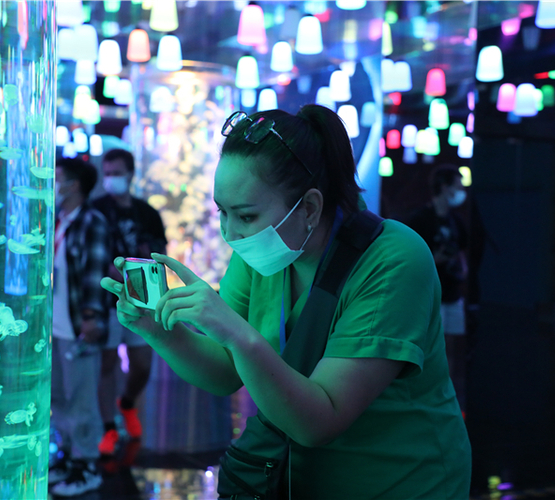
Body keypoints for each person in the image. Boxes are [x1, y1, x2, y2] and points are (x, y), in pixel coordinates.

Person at [102, 105, 471, 498]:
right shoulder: (265, 253)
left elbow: (321, 419)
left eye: (245, 216)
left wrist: (238, 335)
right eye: (222, 213)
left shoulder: (393, 259)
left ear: (309, 207)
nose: (229, 233)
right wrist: (162, 332)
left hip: (400, 482)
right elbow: (226, 372)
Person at [92, 148, 167, 456]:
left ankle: (127, 404)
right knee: (106, 363)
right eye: (106, 173)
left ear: (130, 174)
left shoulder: (147, 213)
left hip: (141, 301)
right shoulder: (95, 210)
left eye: (116, 172)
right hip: (106, 300)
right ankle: (108, 427)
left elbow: (160, 253)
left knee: (142, 365)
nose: (111, 179)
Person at [50, 157, 110, 497]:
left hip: (78, 325)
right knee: (59, 395)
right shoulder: (59, 221)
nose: (53, 182)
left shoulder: (92, 222)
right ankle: (69, 455)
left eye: (58, 178)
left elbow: (93, 273)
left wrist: (91, 317)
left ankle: (87, 464)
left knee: (82, 396)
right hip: (56, 327)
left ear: (73, 184)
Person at [406, 164, 469, 407]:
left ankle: (444, 389)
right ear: (444, 187)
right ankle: (426, 391)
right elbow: (412, 256)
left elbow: (462, 249)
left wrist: (461, 266)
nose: (461, 190)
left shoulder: (457, 220)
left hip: (452, 291)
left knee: (451, 344)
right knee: (432, 344)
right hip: (430, 293)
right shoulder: (420, 219)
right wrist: (436, 257)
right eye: (457, 185)